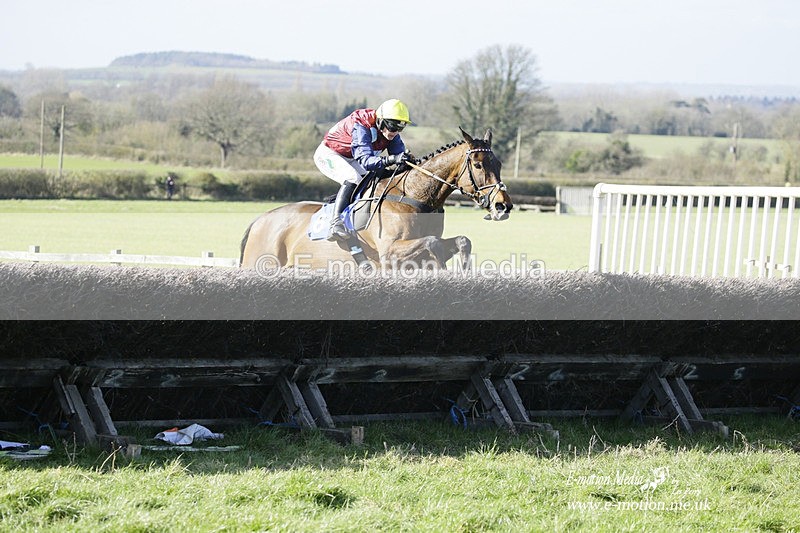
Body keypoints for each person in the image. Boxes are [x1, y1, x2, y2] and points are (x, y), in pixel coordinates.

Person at [313, 99, 413, 241]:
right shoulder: (362, 125)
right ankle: (336, 224)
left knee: (373, 180)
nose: (395, 132)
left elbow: (399, 157)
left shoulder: (391, 132)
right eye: (392, 127)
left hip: (353, 157)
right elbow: (366, 161)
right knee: (353, 178)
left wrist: (407, 161)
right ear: (381, 121)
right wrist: (391, 160)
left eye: (399, 128)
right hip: (330, 154)